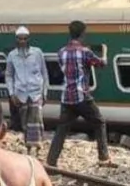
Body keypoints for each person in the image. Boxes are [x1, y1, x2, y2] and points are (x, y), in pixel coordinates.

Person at [46, 21, 114, 168]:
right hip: (82, 97)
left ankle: (51, 161)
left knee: (62, 129)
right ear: (83, 34)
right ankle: (103, 158)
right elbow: (102, 64)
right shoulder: (85, 52)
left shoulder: (61, 52)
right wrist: (105, 51)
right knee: (99, 122)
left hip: (66, 98)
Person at [6, 26, 49, 154]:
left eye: (25, 39)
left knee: (36, 121)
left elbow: (44, 73)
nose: (22, 41)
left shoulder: (37, 53)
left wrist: (44, 92)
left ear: (28, 39)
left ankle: (37, 148)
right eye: (20, 39)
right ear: (16, 40)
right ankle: (29, 147)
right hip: (21, 93)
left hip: (36, 92)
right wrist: (11, 93)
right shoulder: (12, 55)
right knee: (25, 122)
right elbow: (9, 75)